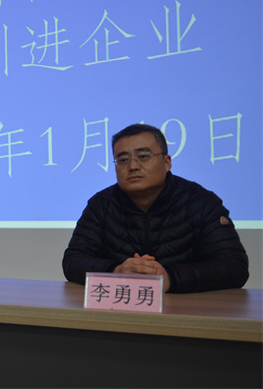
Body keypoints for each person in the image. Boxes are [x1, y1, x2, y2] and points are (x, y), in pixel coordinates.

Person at [62, 124, 249, 293]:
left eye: (143, 157)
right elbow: (73, 260)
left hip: (186, 309)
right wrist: (116, 272)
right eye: (123, 160)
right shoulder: (101, 204)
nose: (133, 166)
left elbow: (234, 266)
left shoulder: (201, 202)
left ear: (167, 163)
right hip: (121, 306)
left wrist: (171, 278)